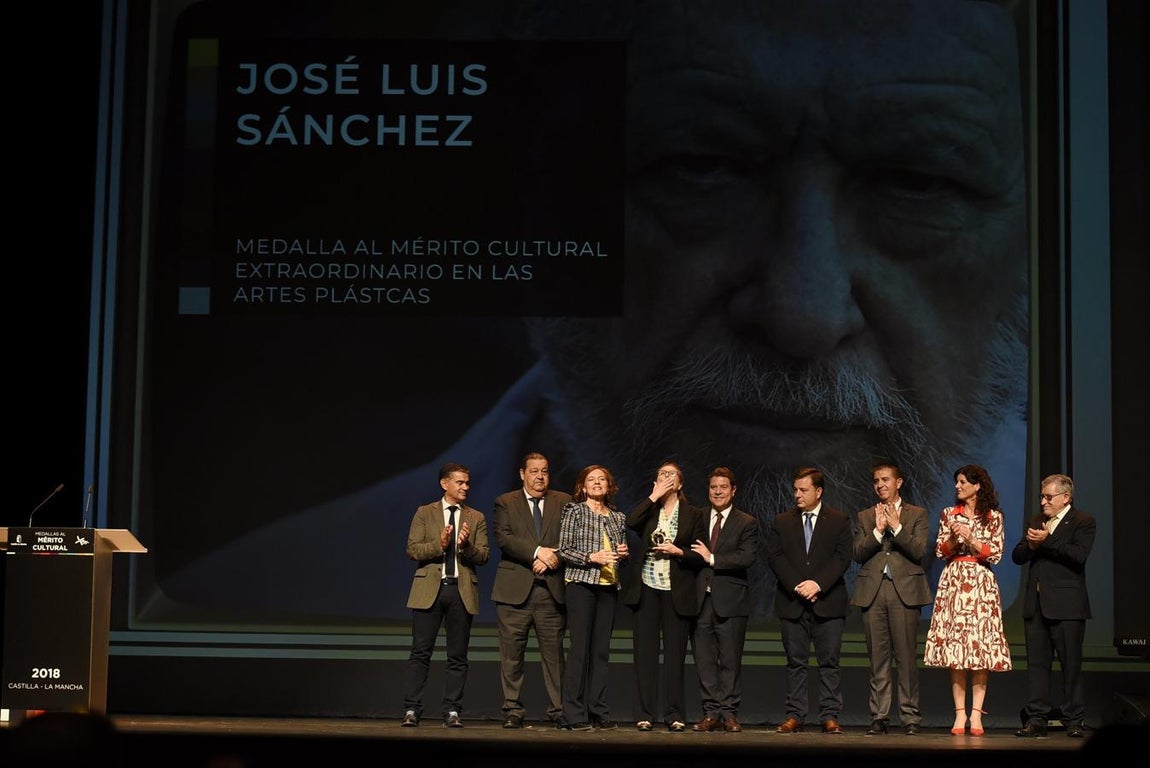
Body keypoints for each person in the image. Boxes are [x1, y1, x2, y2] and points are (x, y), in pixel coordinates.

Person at [156, 0, 1031, 636]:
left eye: (921, 184)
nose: (802, 313)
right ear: (534, 202)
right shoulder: (266, 594)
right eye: (700, 166)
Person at [924, 464, 1012, 737]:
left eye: (962, 482)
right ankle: (960, 714)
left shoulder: (993, 517)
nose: (957, 487)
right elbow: (940, 550)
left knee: (980, 651)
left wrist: (972, 538)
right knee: (957, 651)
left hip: (981, 584)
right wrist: (953, 537)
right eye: (957, 482)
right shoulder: (950, 514)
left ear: (977, 485)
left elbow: (995, 553)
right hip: (954, 581)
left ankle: (977, 716)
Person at [400, 463, 489, 728]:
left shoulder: (476, 517)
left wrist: (466, 546)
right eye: (460, 482)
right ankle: (412, 709)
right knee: (420, 653)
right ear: (444, 484)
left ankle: (452, 709)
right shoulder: (425, 513)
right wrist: (439, 545)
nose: (465, 487)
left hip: (460, 591)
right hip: (430, 589)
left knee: (458, 655)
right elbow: (413, 550)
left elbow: (483, 556)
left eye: (467, 483)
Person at [766, 467, 853, 734]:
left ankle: (829, 716)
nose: (797, 495)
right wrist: (798, 586)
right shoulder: (783, 521)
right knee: (796, 662)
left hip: (828, 603)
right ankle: (795, 715)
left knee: (829, 662)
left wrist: (818, 584)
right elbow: (776, 557)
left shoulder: (838, 520)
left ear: (819, 491)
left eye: (803, 490)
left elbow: (842, 557)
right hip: (793, 603)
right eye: (795, 490)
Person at [622, 461, 708, 732]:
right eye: (662, 474)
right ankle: (645, 714)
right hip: (647, 587)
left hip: (676, 590)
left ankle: (674, 714)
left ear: (680, 484)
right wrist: (653, 496)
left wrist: (678, 552)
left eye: (671, 475)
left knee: (674, 655)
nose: (667, 477)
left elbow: (700, 554)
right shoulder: (650, 511)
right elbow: (630, 521)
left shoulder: (693, 514)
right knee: (645, 654)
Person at [490, 452, 573, 728]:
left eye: (545, 471)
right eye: (534, 471)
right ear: (522, 474)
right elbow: (504, 538)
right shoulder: (505, 502)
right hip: (514, 592)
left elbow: (572, 539)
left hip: (550, 592)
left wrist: (554, 557)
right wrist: (538, 552)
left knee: (555, 656)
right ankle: (513, 709)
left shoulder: (564, 502)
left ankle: (559, 710)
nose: (540, 476)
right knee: (512, 655)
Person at [1012, 473, 1096, 739]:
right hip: (1036, 605)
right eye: (1042, 496)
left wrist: (1046, 542)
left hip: (1067, 606)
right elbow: (1018, 555)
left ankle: (1074, 719)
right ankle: (1037, 718)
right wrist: (1033, 545)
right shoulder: (1037, 521)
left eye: (1049, 497)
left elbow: (1078, 556)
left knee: (1071, 664)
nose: (1044, 502)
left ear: (1065, 498)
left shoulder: (1083, 521)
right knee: (1037, 665)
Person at [851, 462, 933, 736]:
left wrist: (897, 528)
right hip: (874, 591)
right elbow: (858, 553)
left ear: (898, 482)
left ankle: (910, 717)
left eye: (885, 479)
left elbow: (919, 550)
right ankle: (880, 716)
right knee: (878, 658)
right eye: (876, 480)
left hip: (904, 591)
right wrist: (876, 530)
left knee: (907, 658)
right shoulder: (865, 515)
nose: (880, 485)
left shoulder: (917, 514)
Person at [555, 464, 629, 731]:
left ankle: (597, 710)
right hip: (581, 585)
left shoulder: (618, 517)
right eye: (591, 479)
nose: (597, 483)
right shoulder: (574, 511)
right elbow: (564, 550)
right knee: (580, 650)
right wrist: (591, 557)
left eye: (602, 479)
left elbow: (619, 554)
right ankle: (573, 714)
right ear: (583, 486)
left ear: (609, 486)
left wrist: (623, 554)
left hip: (608, 587)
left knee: (600, 652)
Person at [688, 466, 759, 733]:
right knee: (704, 660)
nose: (718, 492)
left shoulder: (746, 522)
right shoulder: (698, 516)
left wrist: (713, 559)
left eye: (723, 487)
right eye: (713, 488)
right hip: (700, 600)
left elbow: (747, 557)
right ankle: (710, 713)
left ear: (733, 490)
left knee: (730, 660)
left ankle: (729, 713)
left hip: (731, 601)